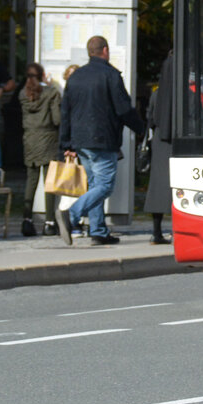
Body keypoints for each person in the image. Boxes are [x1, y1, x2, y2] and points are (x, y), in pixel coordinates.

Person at [55, 36, 145, 247]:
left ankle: (98, 231)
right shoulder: (110, 75)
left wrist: (66, 143)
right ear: (105, 50)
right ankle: (71, 214)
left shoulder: (76, 76)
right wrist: (141, 129)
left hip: (80, 141)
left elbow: (65, 111)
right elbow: (123, 109)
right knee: (104, 186)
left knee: (95, 185)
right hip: (102, 139)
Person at [19, 64, 62, 237]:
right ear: (43, 75)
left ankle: (27, 221)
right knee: (49, 181)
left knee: (31, 180)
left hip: (30, 139)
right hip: (48, 139)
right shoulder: (51, 93)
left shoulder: (23, 94)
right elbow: (57, 119)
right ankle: (49, 223)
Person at [144, 50, 174, 244]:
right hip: (177, 143)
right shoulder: (185, 94)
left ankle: (156, 232)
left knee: (157, 187)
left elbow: (150, 118)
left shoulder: (156, 94)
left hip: (159, 142)